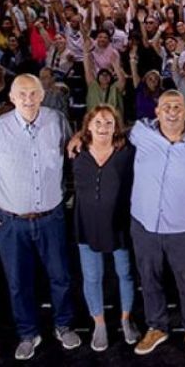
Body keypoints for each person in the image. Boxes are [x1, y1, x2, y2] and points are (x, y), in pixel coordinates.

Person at [0, 74, 80, 360]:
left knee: (61, 277)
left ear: (42, 95)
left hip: (51, 217)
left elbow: (72, 152)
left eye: (33, 93)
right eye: (22, 94)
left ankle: (64, 325)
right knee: (19, 282)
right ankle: (28, 333)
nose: (28, 99)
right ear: (12, 98)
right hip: (11, 222)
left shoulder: (56, 121)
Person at [110, 90, 185, 356]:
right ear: (156, 111)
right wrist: (78, 136)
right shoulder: (140, 132)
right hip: (145, 225)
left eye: (177, 106)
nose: (172, 111)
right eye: (166, 106)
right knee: (149, 277)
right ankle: (157, 327)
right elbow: (105, 128)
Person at [72, 104, 140, 352]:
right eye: (98, 122)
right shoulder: (76, 151)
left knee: (125, 273)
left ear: (116, 127)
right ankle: (99, 323)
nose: (103, 127)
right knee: (92, 276)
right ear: (88, 126)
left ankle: (126, 319)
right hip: (86, 224)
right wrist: (75, 137)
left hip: (119, 223)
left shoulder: (127, 151)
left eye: (109, 123)